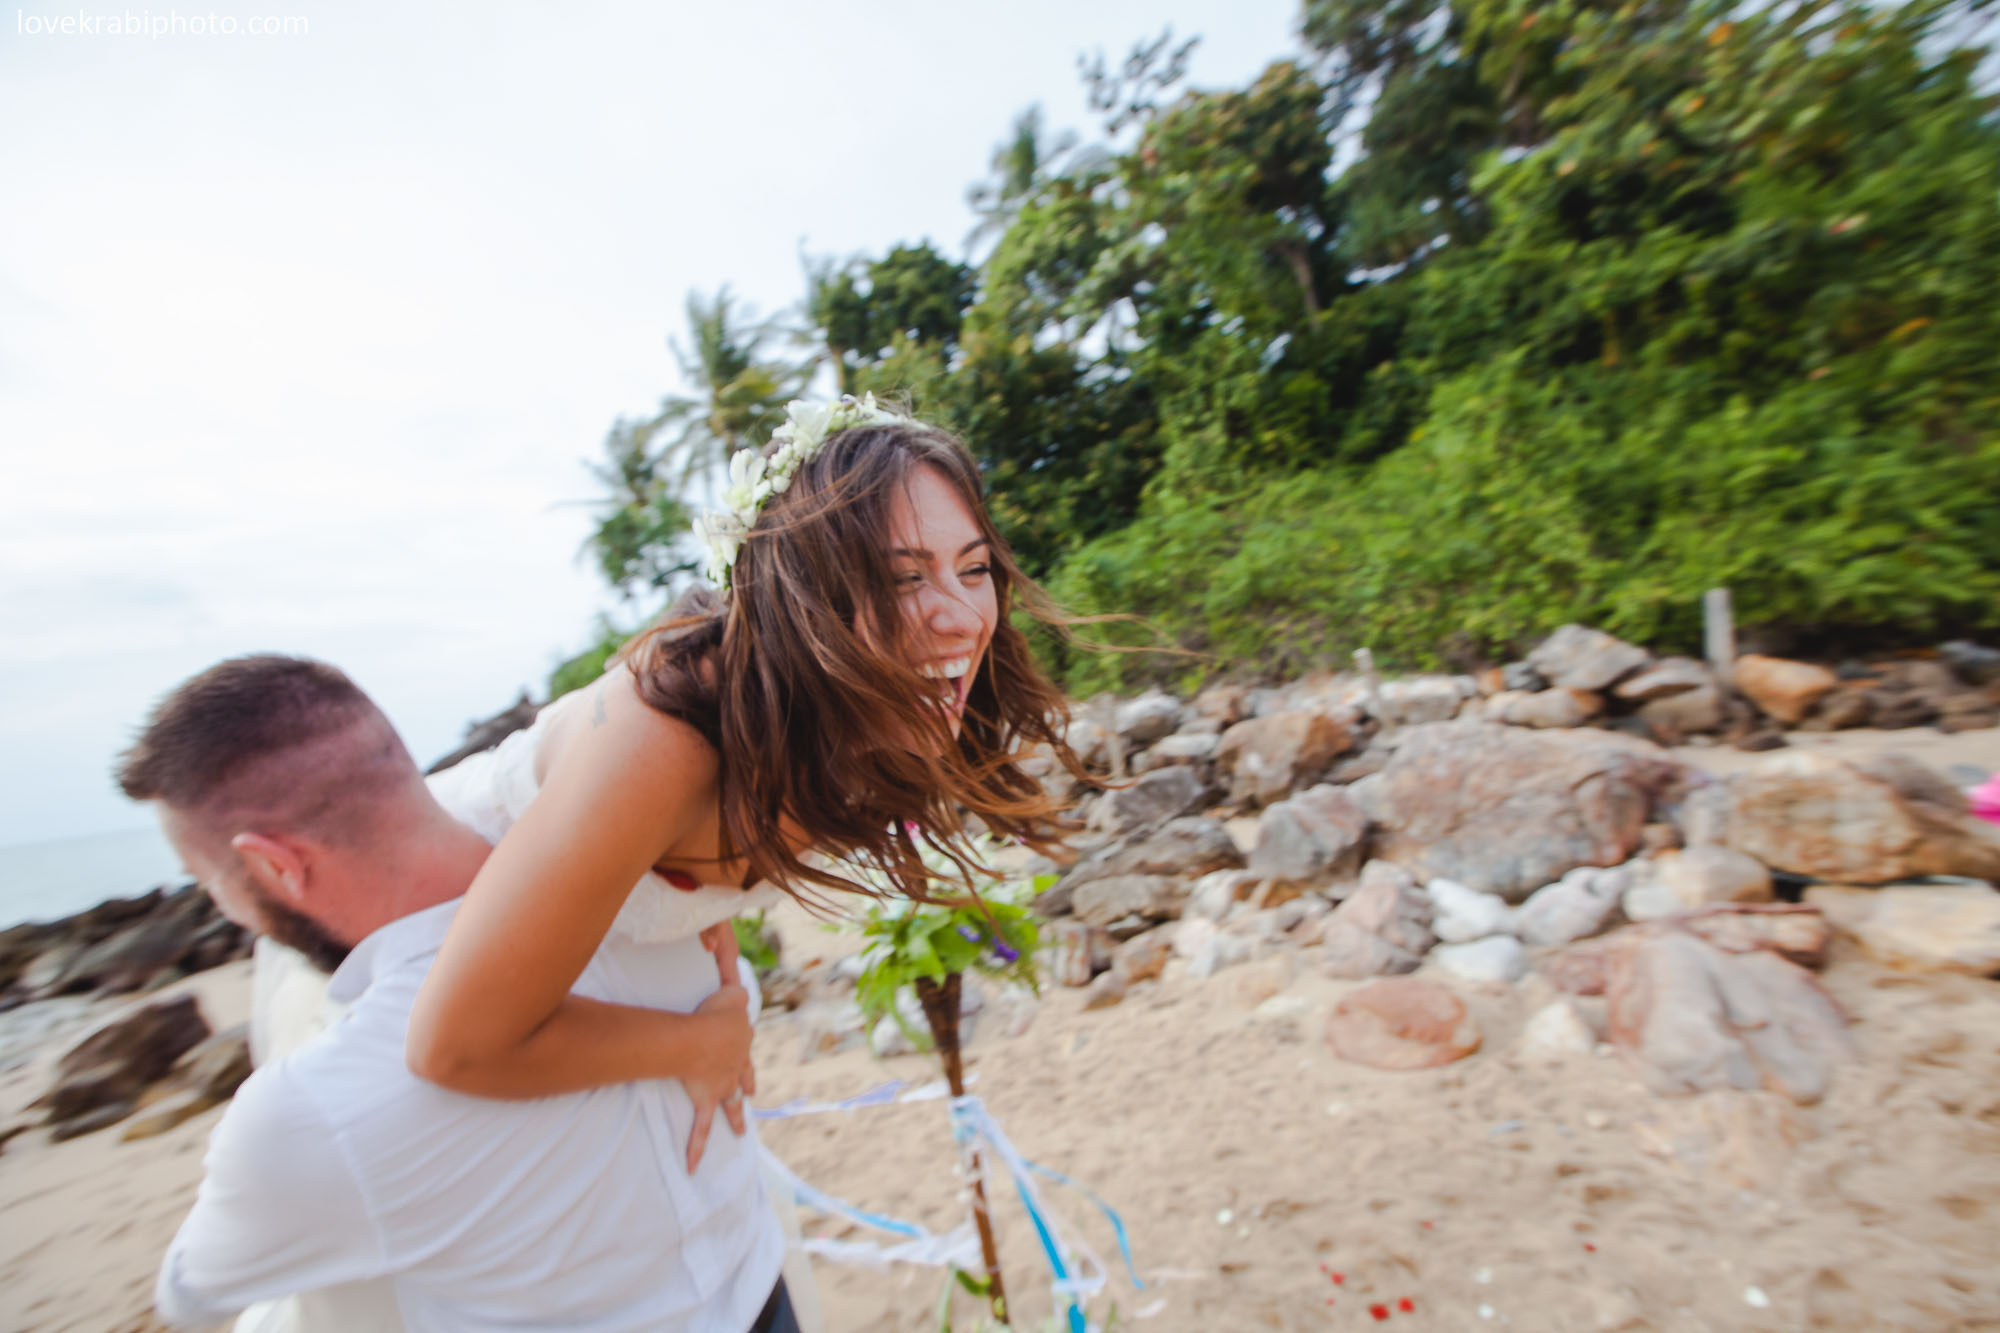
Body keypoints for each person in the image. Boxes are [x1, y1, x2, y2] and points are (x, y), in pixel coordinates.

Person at [403, 395, 1091, 1101]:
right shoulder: (658, 745)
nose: (961, 619)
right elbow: (451, 1045)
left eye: (973, 569)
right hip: (406, 943)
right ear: (799, 601)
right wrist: (707, 1042)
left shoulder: (874, 717)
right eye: (902, 577)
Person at [118, 655, 791, 1333]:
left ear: (274, 864)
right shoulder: (660, 882)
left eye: (209, 882)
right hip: (764, 1292)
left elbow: (191, 1294)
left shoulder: (313, 1115)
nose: (224, 907)